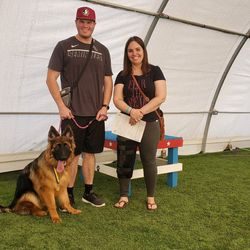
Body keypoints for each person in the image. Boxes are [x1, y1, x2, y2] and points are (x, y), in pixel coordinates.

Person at [46, 6, 113, 207]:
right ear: (76, 22)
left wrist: (104, 106)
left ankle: (88, 192)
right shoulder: (63, 46)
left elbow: (108, 81)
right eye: (82, 21)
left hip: (96, 115)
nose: (86, 25)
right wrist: (61, 106)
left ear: (94, 24)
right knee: (73, 156)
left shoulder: (102, 50)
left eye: (89, 22)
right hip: (72, 114)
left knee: (90, 154)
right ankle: (69, 193)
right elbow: (51, 78)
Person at [113, 36, 166, 210]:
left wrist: (140, 112)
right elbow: (117, 99)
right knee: (124, 159)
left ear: (143, 51)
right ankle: (123, 195)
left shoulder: (155, 71)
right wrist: (131, 111)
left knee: (148, 160)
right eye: (130, 50)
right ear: (126, 54)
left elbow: (161, 96)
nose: (134, 53)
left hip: (150, 123)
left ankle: (150, 197)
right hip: (127, 122)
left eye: (137, 49)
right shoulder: (122, 75)